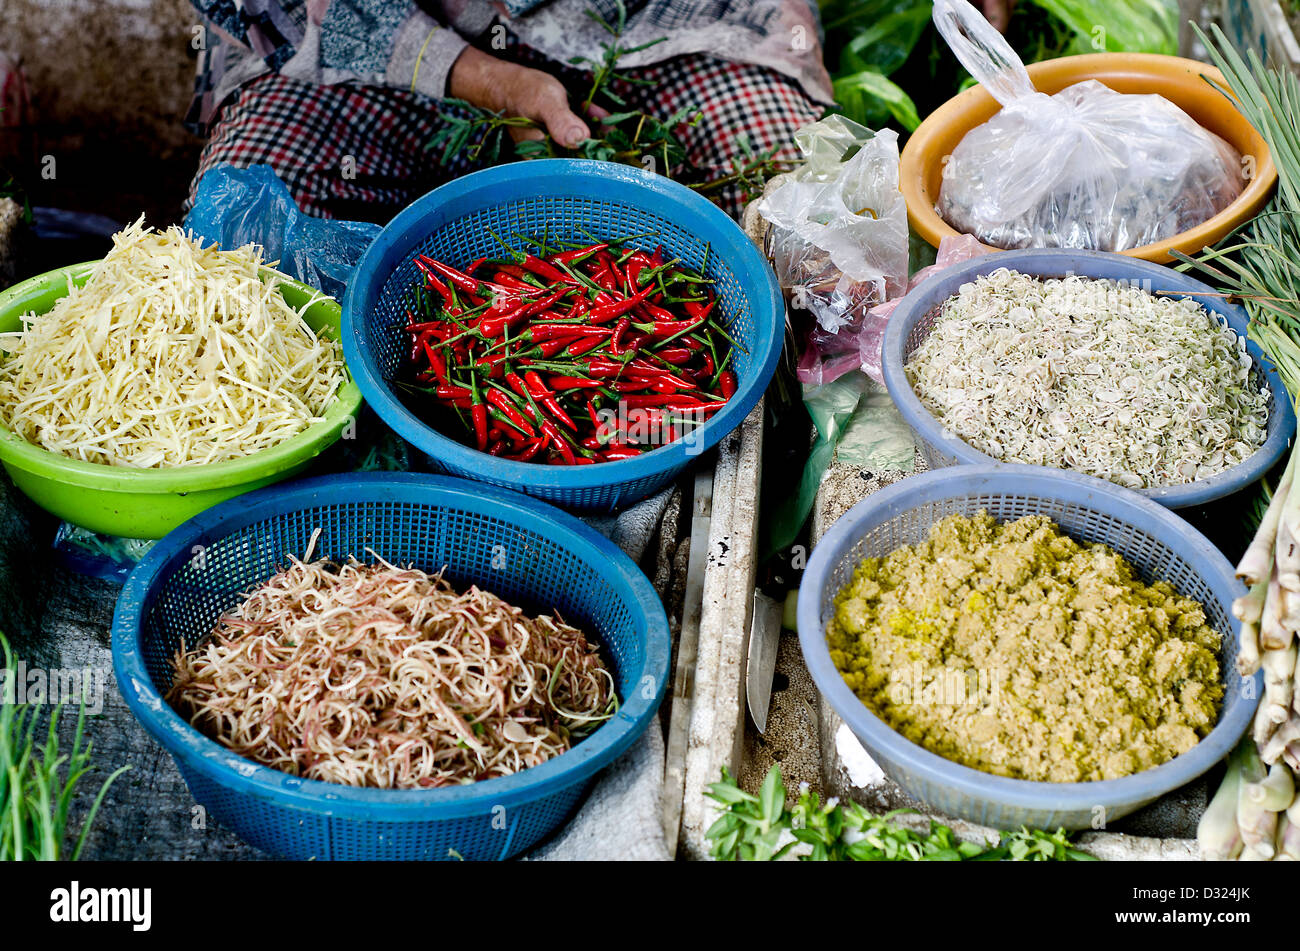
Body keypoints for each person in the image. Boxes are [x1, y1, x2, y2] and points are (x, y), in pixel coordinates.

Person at [185, 0, 837, 221]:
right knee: (244, 231)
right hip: (365, 36)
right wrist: (487, 80)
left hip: (653, 24)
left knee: (813, 230)